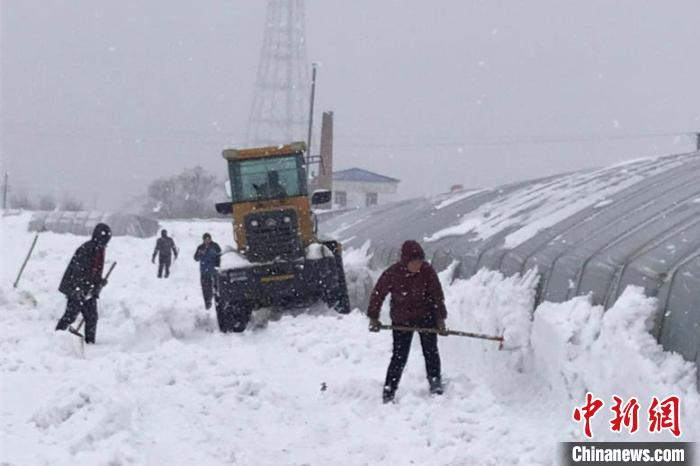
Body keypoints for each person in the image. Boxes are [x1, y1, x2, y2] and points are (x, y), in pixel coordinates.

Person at [367, 240, 448, 403]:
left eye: (420, 261)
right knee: (399, 356)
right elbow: (378, 294)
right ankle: (389, 389)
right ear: (405, 261)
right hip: (402, 320)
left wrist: (440, 319)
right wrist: (373, 318)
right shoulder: (392, 273)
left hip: (426, 317)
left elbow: (437, 296)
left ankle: (435, 381)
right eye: (414, 262)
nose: (418, 265)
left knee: (430, 351)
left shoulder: (427, 272)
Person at [55, 223, 112, 344]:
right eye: (104, 238)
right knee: (70, 315)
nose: (106, 242)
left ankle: (90, 342)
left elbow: (94, 271)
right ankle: (57, 338)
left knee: (92, 317)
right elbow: (77, 270)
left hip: (88, 288)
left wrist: (99, 282)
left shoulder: (100, 249)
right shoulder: (87, 249)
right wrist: (77, 289)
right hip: (76, 287)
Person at [194, 232, 221, 309]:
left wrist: (218, 264)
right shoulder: (200, 247)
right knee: (206, 288)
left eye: (208, 239)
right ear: (203, 240)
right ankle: (207, 303)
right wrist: (200, 253)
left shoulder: (215, 246)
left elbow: (220, 256)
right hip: (204, 271)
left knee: (217, 287)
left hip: (214, 271)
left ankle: (218, 302)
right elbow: (196, 258)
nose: (207, 241)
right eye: (205, 239)